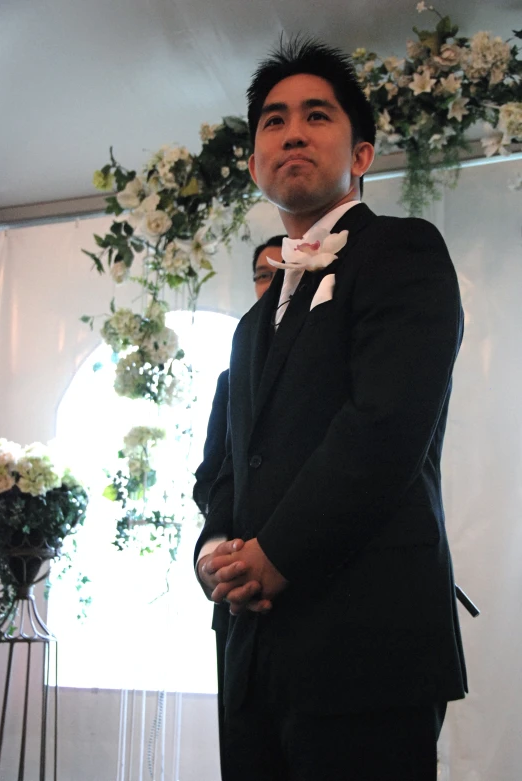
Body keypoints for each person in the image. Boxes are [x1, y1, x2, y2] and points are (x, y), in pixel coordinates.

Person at [194, 38, 467, 781]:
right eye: (274, 121)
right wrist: (215, 549)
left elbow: (384, 428)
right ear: (254, 164)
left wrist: (273, 556)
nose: (293, 132)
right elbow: (227, 463)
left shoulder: (404, 253)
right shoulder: (252, 326)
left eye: (317, 115)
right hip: (251, 654)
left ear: (364, 152)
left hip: (365, 646)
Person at [192, 235, 284, 779]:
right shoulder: (233, 374)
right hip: (237, 615)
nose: (270, 285)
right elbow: (212, 478)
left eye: (282, 272)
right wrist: (215, 552)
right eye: (261, 275)